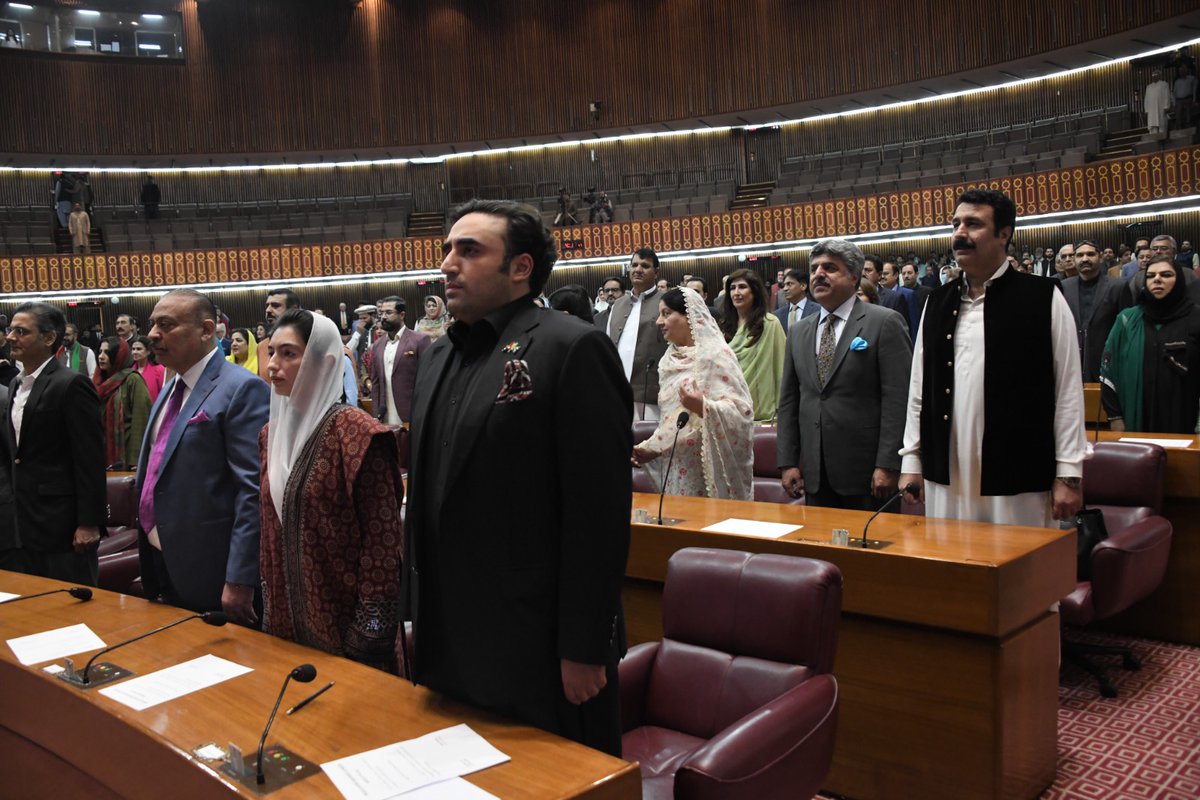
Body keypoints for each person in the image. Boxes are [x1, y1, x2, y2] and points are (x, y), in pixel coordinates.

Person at [405, 199, 631, 756]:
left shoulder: (571, 346)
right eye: (446, 250)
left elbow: (598, 512)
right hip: (449, 634)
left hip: (539, 641)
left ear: (521, 267)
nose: (448, 264)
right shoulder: (435, 358)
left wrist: (584, 645)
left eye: (470, 250)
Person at [899, 190, 1086, 528]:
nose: (959, 233)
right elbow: (919, 390)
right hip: (948, 468)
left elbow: (1068, 392)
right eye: (955, 224)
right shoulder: (936, 302)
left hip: (1018, 467)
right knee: (954, 568)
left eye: (973, 224)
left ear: (1004, 234)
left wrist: (1069, 474)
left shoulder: (1043, 298)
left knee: (1021, 570)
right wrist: (911, 460)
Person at [260, 309, 404, 671]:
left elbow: (383, 545)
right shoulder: (270, 436)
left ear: (324, 362)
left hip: (347, 635)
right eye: (271, 352)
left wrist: (368, 637)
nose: (273, 365)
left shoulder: (358, 434)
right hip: (283, 628)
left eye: (289, 354)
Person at [136, 289, 271, 623]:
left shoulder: (241, 388)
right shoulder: (171, 387)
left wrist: (241, 576)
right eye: (153, 324)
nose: (153, 334)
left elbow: (252, 491)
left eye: (166, 325)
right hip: (164, 561)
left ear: (207, 330)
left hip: (214, 568)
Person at [777, 240, 912, 510]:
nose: (818, 274)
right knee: (821, 550)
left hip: (868, 473)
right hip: (815, 473)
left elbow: (898, 400)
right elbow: (790, 401)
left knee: (872, 549)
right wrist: (788, 462)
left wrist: (888, 464)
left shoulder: (884, 322)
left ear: (854, 276)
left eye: (830, 268)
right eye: (814, 268)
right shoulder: (799, 331)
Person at [2, 302, 105, 583]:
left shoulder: (71, 384)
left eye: (21, 331)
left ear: (48, 338)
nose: (10, 337)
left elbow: (90, 458)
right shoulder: (15, 385)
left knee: (72, 611)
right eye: (11, 330)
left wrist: (89, 522)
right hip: (25, 522)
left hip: (63, 524)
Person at [631, 287, 753, 499]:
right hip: (677, 466)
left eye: (666, 314)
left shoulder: (716, 355)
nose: (659, 322)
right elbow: (671, 421)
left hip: (709, 471)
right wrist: (651, 448)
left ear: (690, 317)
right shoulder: (667, 360)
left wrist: (703, 406)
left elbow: (742, 413)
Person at [1100, 256, 1200, 434]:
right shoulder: (1127, 320)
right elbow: (1108, 370)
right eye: (1151, 275)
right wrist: (1115, 418)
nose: (1157, 279)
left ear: (1179, 281)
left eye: (1166, 274)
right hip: (1135, 420)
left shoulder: (1195, 318)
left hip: (1184, 419)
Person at [605, 248, 669, 421]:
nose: (638, 269)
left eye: (645, 266)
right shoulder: (617, 305)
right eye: (634, 265)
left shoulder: (667, 301)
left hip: (653, 396)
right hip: (618, 393)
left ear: (656, 272)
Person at [719, 268, 786, 423]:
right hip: (729, 409)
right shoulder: (722, 327)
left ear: (754, 292)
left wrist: (782, 409)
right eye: (732, 288)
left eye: (742, 287)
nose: (736, 292)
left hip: (762, 410)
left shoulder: (770, 324)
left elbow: (781, 368)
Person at [1061, 239, 1123, 382]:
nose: (1085, 259)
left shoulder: (1118, 287)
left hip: (1106, 364)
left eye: (1090, 254)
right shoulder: (1064, 287)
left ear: (1100, 257)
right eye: (1080, 255)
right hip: (1071, 364)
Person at [367, 296, 430, 427]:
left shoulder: (419, 340)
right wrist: (375, 415)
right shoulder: (377, 345)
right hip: (385, 415)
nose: (383, 317)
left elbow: (427, 380)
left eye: (388, 313)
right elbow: (375, 382)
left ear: (402, 315)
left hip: (412, 414)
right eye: (381, 313)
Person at [94, 337, 152, 471]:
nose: (101, 356)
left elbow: (141, 419)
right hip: (101, 451)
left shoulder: (132, 379)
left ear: (119, 356)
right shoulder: (97, 381)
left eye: (107, 353)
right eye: (100, 352)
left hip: (124, 453)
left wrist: (136, 460)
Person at [259, 288, 301, 380]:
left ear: (293, 310)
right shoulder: (261, 347)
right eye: (267, 306)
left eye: (275, 306)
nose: (268, 310)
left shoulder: (307, 341)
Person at [772, 267, 819, 334]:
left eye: (789, 284)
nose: (785, 289)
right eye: (784, 285)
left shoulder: (817, 310)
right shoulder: (777, 314)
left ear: (803, 286)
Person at [131, 335, 166, 404]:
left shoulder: (159, 370)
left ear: (148, 351)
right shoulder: (130, 371)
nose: (135, 352)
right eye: (133, 349)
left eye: (139, 349)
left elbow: (164, 395)